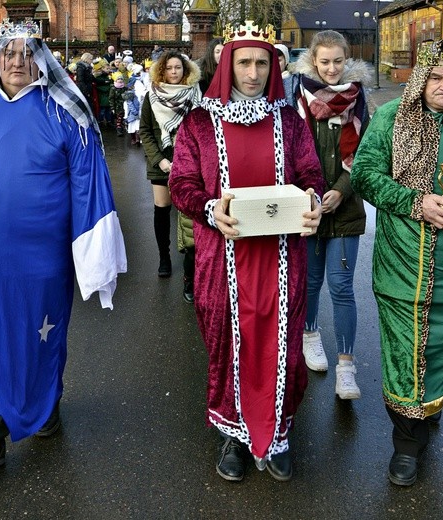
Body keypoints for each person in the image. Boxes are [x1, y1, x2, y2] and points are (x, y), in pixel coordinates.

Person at [0, 19, 127, 475]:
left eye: (26, 53)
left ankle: (45, 405)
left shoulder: (64, 109)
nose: (16, 61)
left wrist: (93, 252)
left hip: (44, 256)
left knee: (42, 337)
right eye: (9, 52)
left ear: (40, 60)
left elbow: (88, 181)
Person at [169, 21, 324, 482]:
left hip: (282, 258)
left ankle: (278, 433)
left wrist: (313, 201)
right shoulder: (199, 122)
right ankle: (234, 436)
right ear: (226, 64)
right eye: (244, 63)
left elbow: (311, 172)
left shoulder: (291, 121)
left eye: (261, 63)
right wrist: (211, 208)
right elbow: (182, 184)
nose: (253, 73)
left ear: (272, 66)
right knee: (226, 344)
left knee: (284, 348)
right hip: (223, 257)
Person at [350, 38, 443, 486]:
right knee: (404, 354)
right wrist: (419, 203)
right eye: (436, 78)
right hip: (405, 267)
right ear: (421, 80)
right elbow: (364, 174)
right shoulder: (391, 117)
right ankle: (406, 445)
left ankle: (429, 410)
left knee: (442, 348)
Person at [283, 30, 370, 399]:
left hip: (345, 207)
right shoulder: (295, 97)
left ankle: (346, 367)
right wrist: (311, 193)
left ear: (346, 60)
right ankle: (311, 335)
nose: (332, 69)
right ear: (313, 61)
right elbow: (289, 150)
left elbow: (365, 152)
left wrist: (341, 190)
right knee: (311, 282)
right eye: (325, 61)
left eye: (338, 61)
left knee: (343, 287)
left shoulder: (359, 97)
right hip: (307, 206)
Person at [139, 51, 201, 278]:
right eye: (169, 68)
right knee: (162, 211)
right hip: (161, 163)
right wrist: (161, 161)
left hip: (190, 162)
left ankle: (190, 262)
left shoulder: (195, 95)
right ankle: (164, 257)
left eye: (178, 68)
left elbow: (201, 130)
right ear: (162, 70)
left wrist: (189, 160)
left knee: (189, 213)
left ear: (185, 70)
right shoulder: (151, 95)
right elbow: (145, 130)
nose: (174, 72)